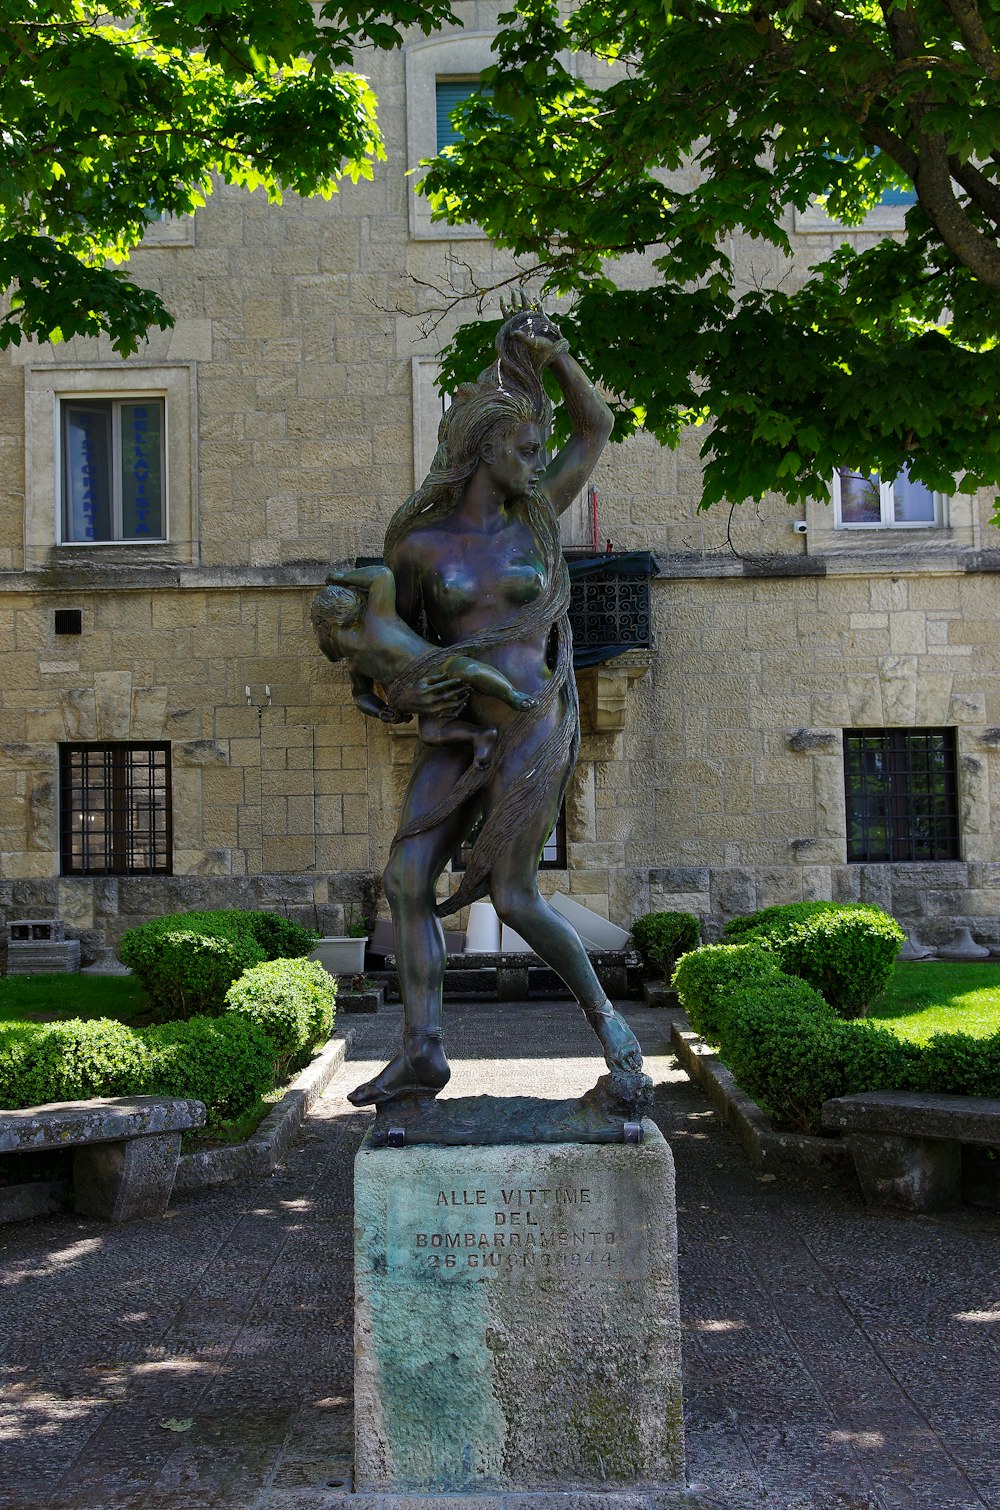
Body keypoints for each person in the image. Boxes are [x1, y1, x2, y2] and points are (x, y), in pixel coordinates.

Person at [348, 298, 643, 1108]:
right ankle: (423, 1052)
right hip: (452, 732)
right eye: (524, 448)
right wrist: (380, 686)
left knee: (516, 898)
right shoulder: (418, 547)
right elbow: (389, 637)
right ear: (484, 448)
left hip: (528, 728)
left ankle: (613, 1030)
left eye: (539, 448)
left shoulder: (536, 519)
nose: (538, 459)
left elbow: (595, 430)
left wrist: (556, 361)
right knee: (405, 879)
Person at [311, 563, 537, 768]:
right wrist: (381, 710)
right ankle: (480, 735)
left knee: (470, 670)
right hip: (419, 693)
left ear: (326, 626)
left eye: (316, 628)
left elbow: (382, 574)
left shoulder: (377, 618)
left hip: (436, 664)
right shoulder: (356, 665)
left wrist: (342, 576)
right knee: (430, 733)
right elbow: (361, 696)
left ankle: (511, 694)